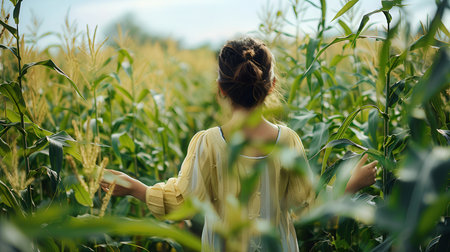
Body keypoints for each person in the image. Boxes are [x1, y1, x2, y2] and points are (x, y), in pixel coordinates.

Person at [101, 37, 377, 251]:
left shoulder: (207, 143)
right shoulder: (286, 140)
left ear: (221, 89)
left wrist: (135, 188)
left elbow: (181, 201)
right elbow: (308, 201)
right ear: (271, 85)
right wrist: (351, 183)